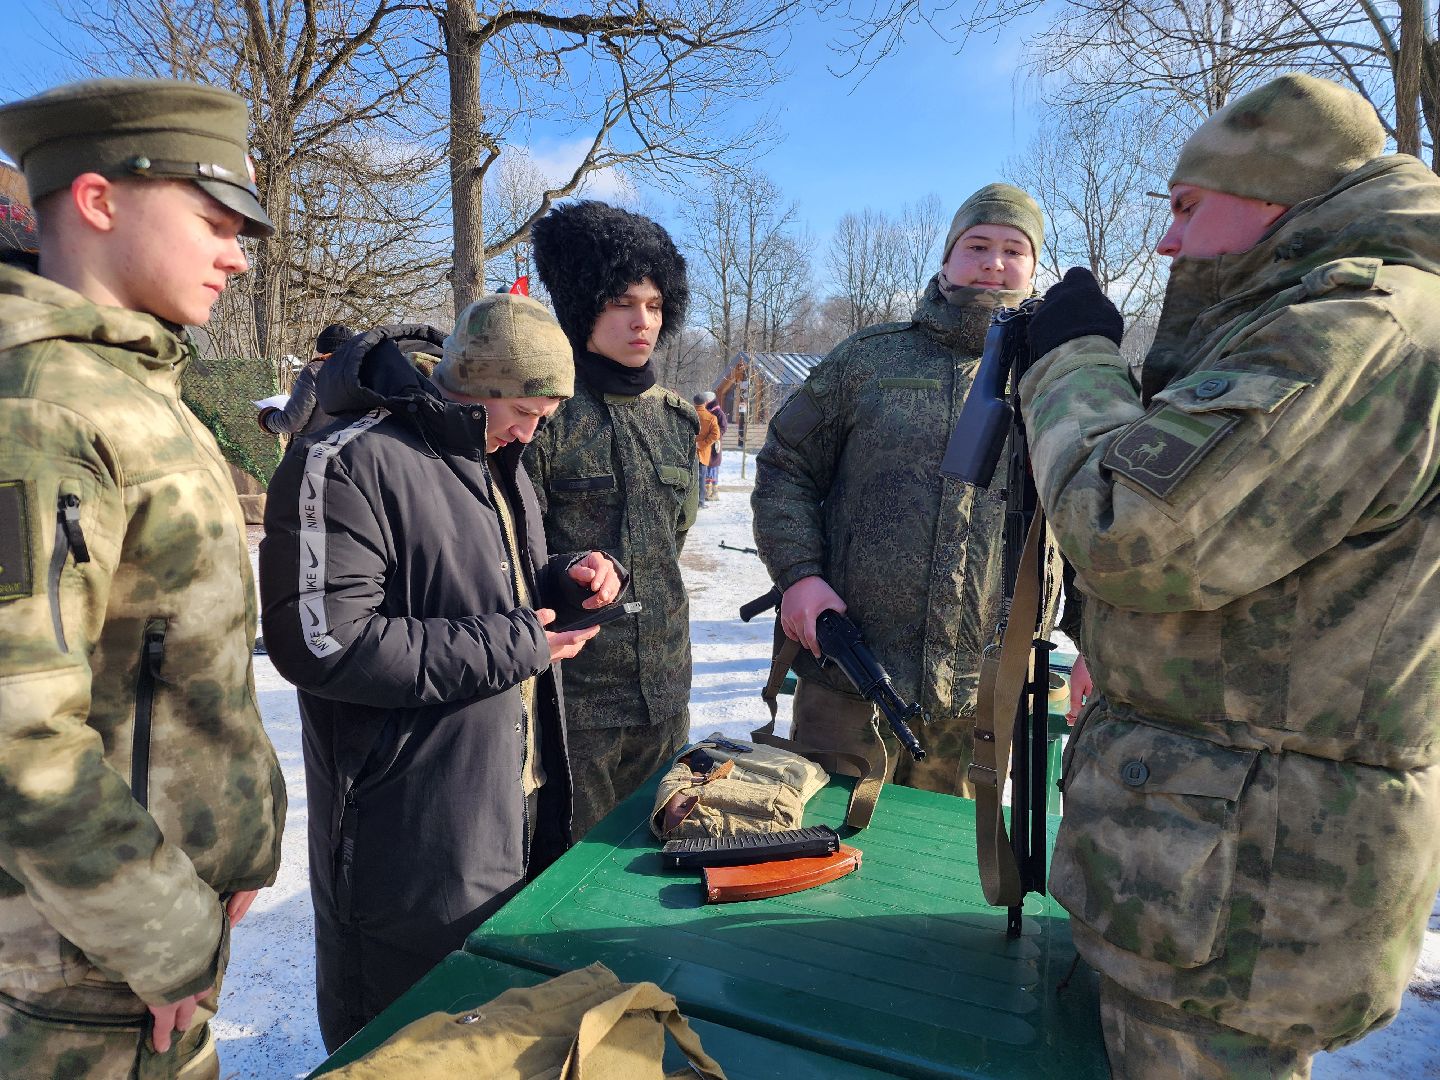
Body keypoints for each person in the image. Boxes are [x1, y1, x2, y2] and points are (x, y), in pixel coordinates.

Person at [1019, 73, 1440, 1077]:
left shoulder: (1360, 329)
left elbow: (1135, 532)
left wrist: (1072, 362)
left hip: (1238, 892)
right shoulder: (1332, 315)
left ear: (1271, 191)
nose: (1167, 242)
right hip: (1211, 869)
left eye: (1184, 208)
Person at [0, 78, 286, 1079]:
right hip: (87, 972)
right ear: (97, 201)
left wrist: (241, 844)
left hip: (142, 938)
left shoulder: (135, 390)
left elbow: (175, 663)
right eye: (213, 219)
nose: (237, 255)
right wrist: (161, 933)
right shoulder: (42, 415)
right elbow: (16, 731)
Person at [260, 295, 622, 1050]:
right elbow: (320, 643)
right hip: (406, 836)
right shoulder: (346, 459)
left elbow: (481, 589)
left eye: (545, 415)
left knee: (490, 1036)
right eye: (524, 409)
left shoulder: (493, 456)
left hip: (508, 803)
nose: (532, 431)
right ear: (474, 385)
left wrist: (562, 582)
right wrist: (513, 643)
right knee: (404, 1045)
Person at [751, 183, 1044, 794]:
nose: (994, 262)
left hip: (981, 696)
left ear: (1035, 266)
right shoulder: (870, 360)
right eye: (977, 244)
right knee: (817, 862)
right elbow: (786, 466)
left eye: (1014, 250)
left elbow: (1090, 517)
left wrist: (1091, 640)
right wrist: (799, 575)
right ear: (946, 259)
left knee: (940, 876)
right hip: (848, 685)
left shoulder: (1056, 378)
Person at [526, 200, 700, 838]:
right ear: (584, 308)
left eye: (655, 306)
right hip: (577, 695)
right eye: (624, 303)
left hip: (664, 691)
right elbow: (515, 549)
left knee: (648, 859)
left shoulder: (678, 422)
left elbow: (670, 547)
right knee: (568, 870)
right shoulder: (546, 417)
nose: (642, 322)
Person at [256, 322, 355, 436]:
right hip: (356, 450)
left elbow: (292, 422)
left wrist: (267, 418)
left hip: (318, 448)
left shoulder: (315, 371)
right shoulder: (367, 373)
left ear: (322, 349)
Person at [693, 392, 721, 507]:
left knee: (689, 478)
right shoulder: (711, 417)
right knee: (701, 478)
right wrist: (702, 444)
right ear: (705, 403)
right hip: (702, 453)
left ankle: (688, 503)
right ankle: (700, 502)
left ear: (694, 403)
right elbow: (716, 435)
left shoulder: (688, 415)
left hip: (686, 452)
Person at [703, 390, 727, 501]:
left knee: (713, 467)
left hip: (715, 444)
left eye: (706, 400)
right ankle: (706, 491)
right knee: (707, 466)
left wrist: (715, 435)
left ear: (709, 400)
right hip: (707, 443)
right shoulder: (706, 411)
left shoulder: (718, 413)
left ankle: (714, 492)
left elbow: (723, 428)